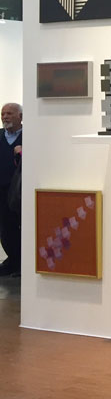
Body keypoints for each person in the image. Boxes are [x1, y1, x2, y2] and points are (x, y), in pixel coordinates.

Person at [0, 102, 22, 277]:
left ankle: (22, 262)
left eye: (9, 113)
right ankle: (13, 260)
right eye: (3, 114)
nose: (5, 117)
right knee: (5, 228)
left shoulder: (29, 137)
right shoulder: (0, 136)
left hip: (19, 190)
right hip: (2, 189)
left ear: (20, 117)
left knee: (22, 225)